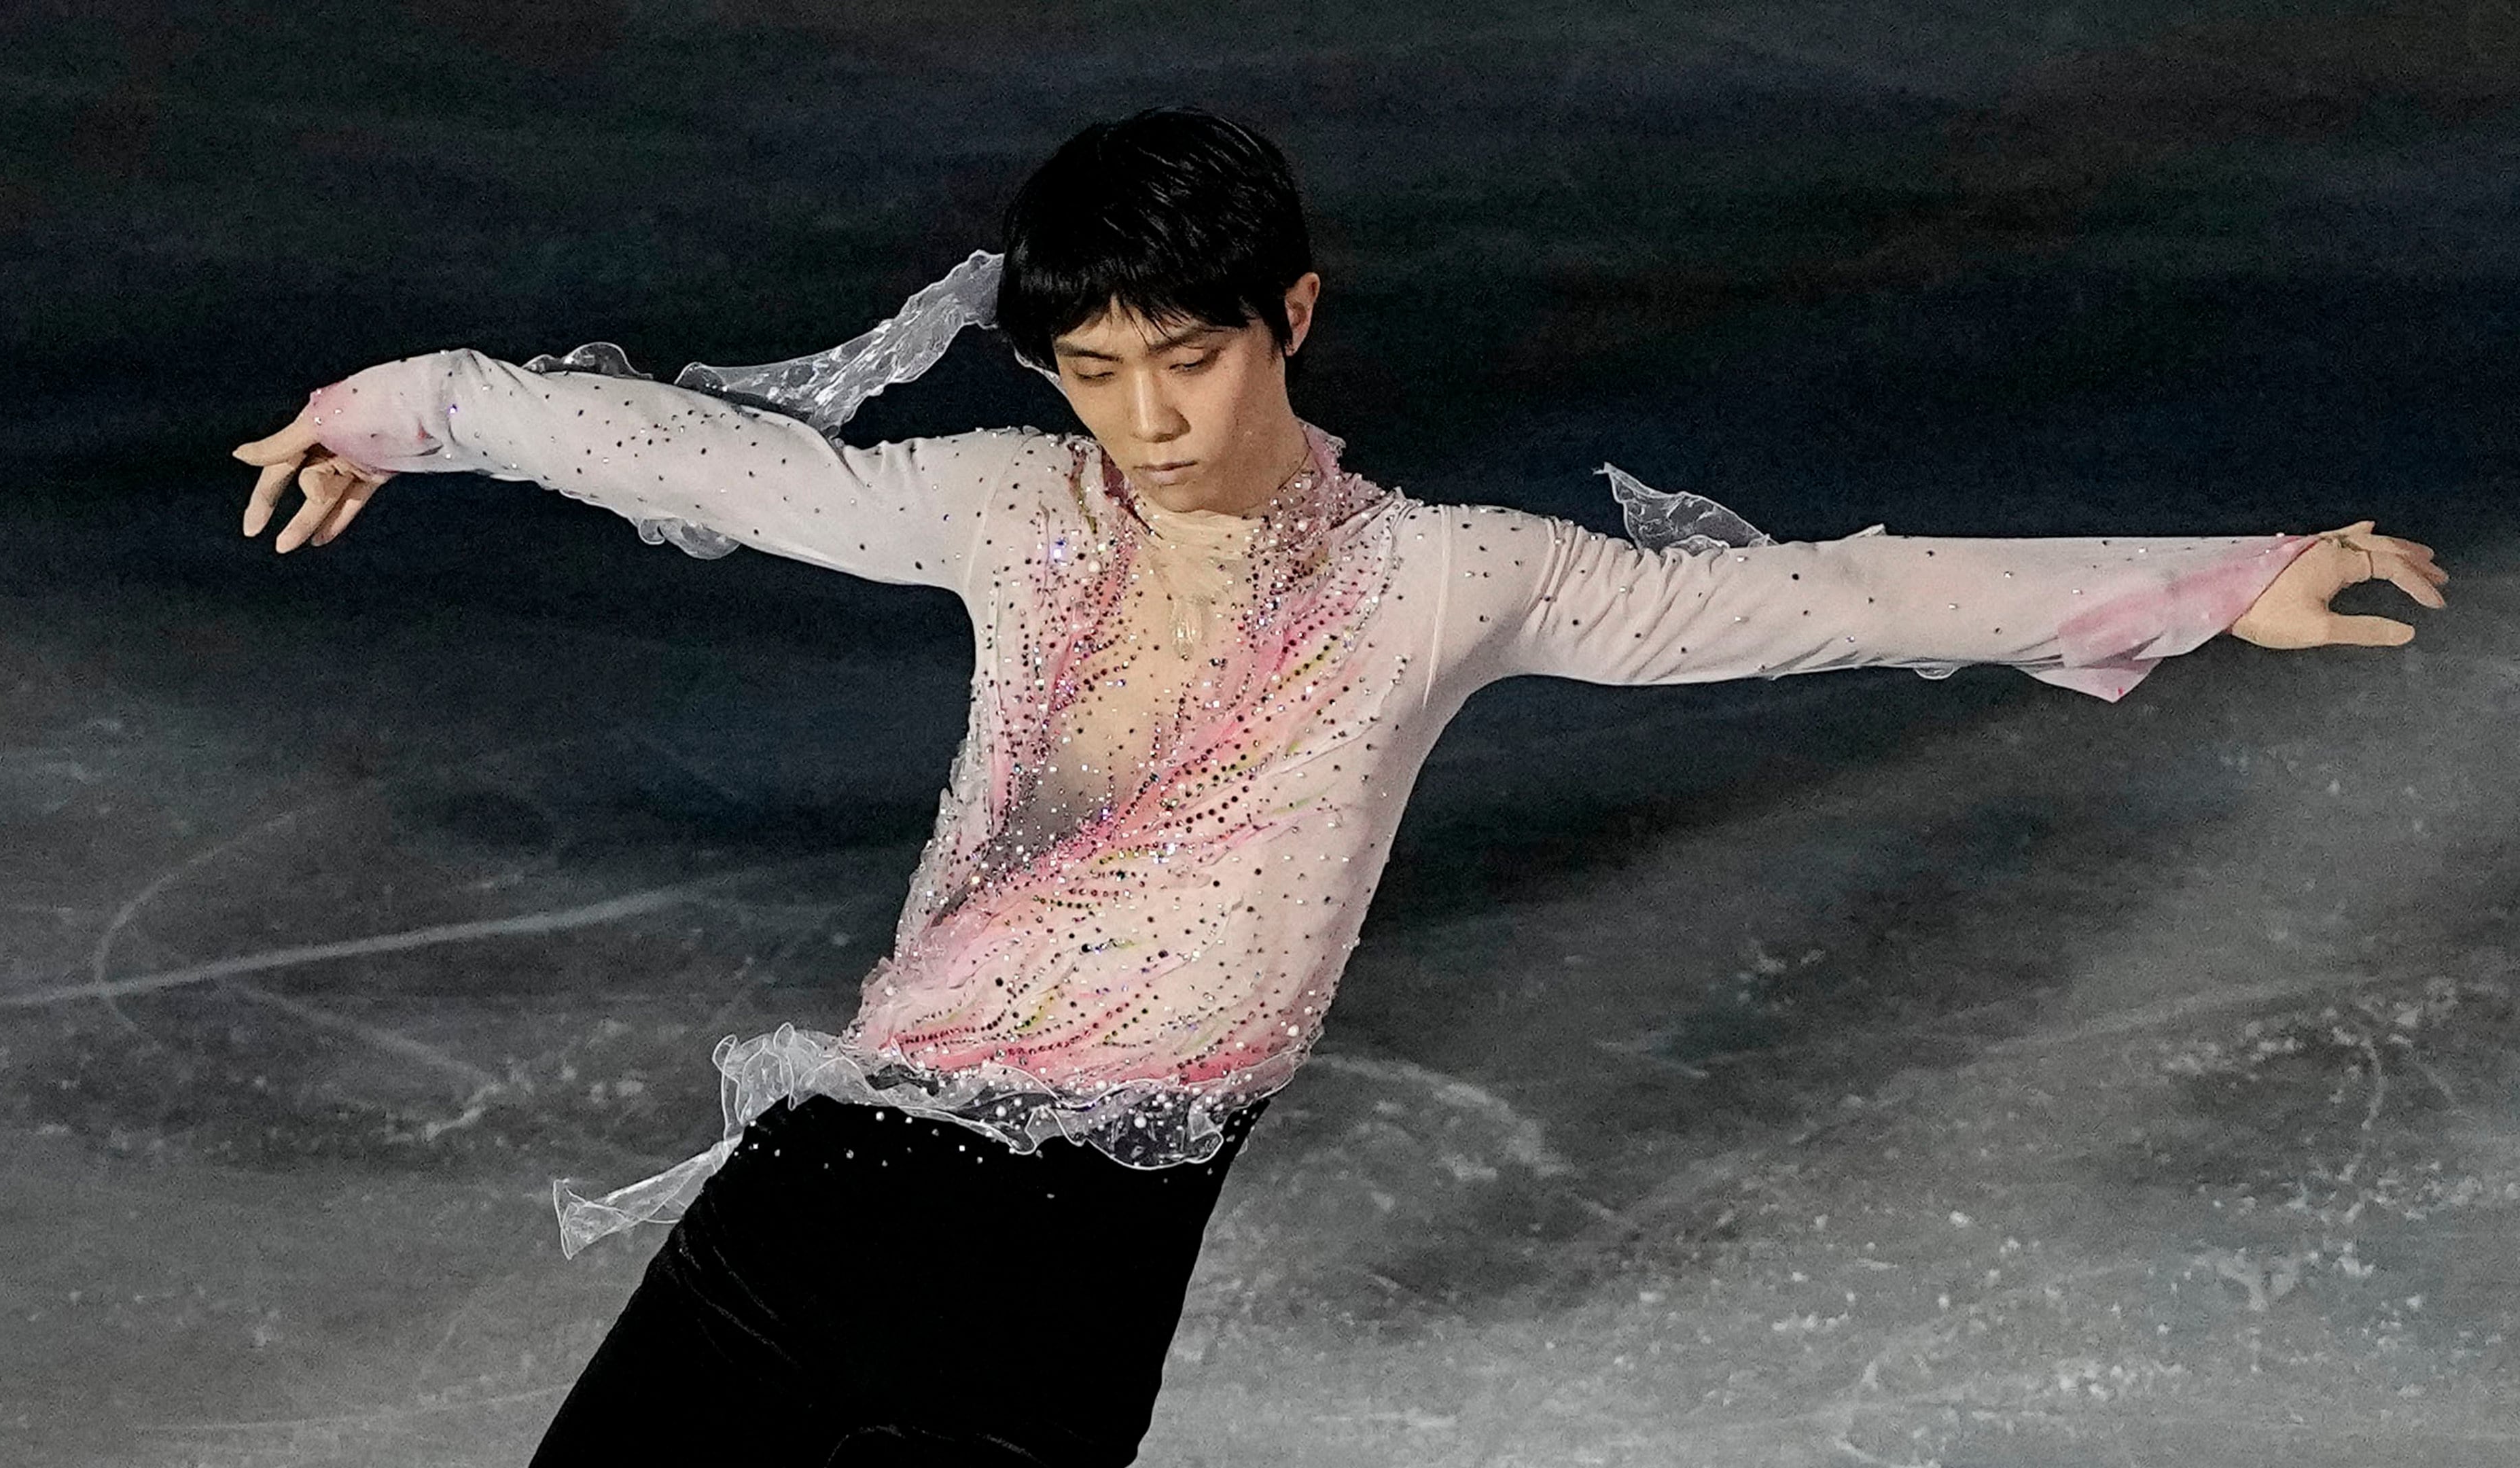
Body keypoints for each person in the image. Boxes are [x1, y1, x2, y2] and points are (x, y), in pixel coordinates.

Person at [230, 106, 2447, 1466]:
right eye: (1092, 372)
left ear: (1292, 311)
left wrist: (2216, 581)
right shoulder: (1007, 510)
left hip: (1102, 1235)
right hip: (842, 1169)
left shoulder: (1444, 583)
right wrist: (396, 404)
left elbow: (1828, 600)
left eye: (1185, 357)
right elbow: (709, 453)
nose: (1145, 419)